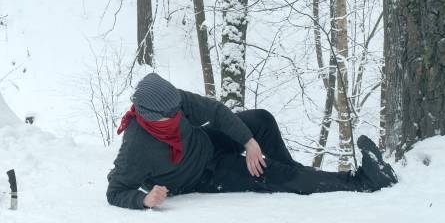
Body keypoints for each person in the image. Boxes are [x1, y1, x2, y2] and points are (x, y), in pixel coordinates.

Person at [107, 73, 397, 209]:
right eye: (169, 115)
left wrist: (249, 142)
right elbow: (116, 190)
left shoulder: (172, 99)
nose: (176, 114)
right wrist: (144, 199)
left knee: (262, 120)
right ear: (148, 116)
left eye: (177, 110)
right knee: (276, 174)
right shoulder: (137, 146)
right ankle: (363, 182)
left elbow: (216, 111)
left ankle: (295, 179)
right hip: (203, 177)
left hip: (207, 144)